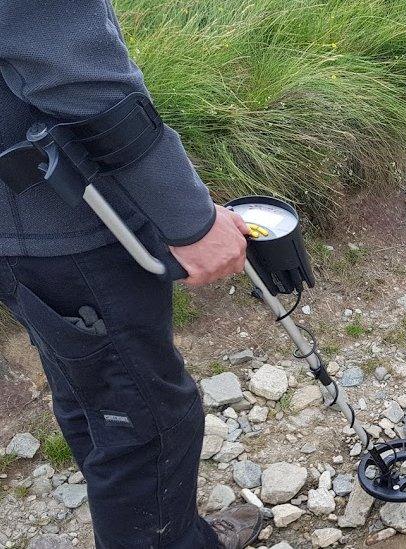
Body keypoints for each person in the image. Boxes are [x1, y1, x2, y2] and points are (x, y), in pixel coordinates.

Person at [0, 2, 264, 547]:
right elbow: (84, 85)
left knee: (94, 398)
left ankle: (176, 532)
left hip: (20, 228)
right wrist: (191, 221)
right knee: (147, 421)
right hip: (69, 223)